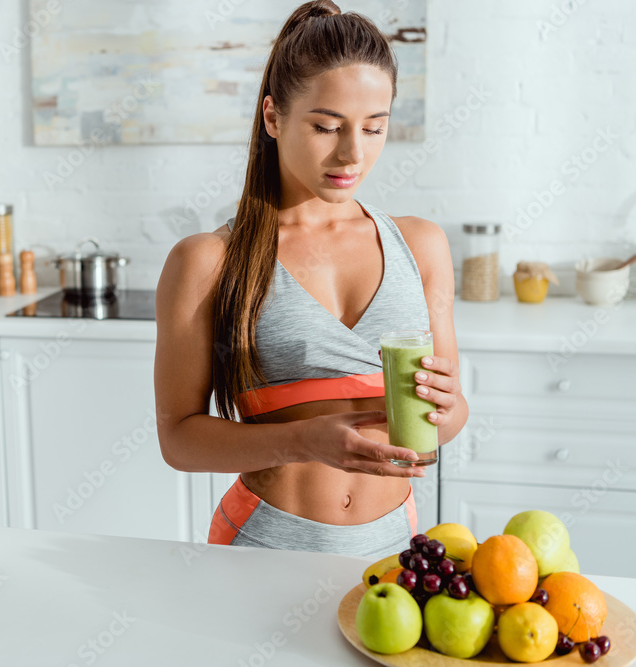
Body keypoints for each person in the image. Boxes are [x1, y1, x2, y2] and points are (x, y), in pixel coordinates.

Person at [154, 0, 468, 559]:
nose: (352, 154)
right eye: (326, 127)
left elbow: (447, 418)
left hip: (396, 549)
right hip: (263, 547)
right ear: (273, 118)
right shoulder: (209, 262)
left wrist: (449, 410)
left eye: (374, 128)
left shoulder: (421, 247)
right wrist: (301, 441)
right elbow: (178, 439)